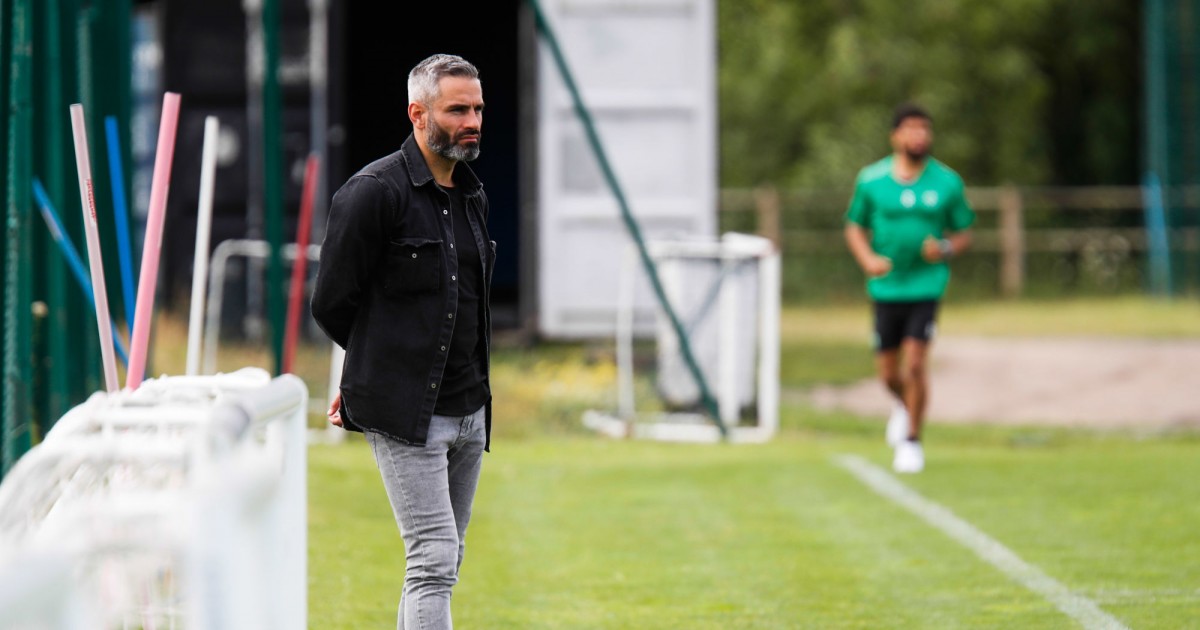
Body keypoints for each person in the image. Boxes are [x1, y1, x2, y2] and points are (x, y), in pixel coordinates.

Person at [311, 53, 495, 629]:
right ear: (418, 114)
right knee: (433, 559)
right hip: (406, 411)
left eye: (478, 108)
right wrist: (373, 374)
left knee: (442, 560)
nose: (473, 121)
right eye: (458, 109)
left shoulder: (472, 194)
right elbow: (332, 302)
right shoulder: (372, 192)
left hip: (470, 411)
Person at [843, 103, 974, 474]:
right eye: (912, 129)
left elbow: (963, 232)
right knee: (888, 373)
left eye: (925, 129)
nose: (920, 136)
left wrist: (946, 248)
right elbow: (854, 226)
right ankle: (905, 405)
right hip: (886, 287)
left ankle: (912, 440)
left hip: (926, 285)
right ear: (895, 136)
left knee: (915, 363)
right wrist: (867, 258)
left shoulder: (946, 182)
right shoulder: (872, 180)